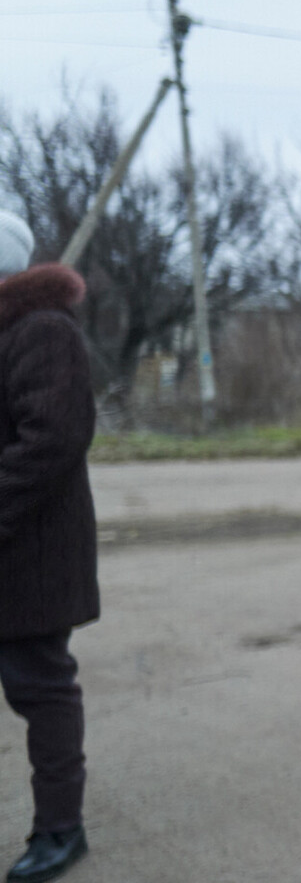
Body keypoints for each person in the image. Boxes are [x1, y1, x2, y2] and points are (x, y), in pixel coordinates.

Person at [0, 210, 95, 883]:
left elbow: (52, 440)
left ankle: (62, 830)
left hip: (30, 556)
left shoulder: (41, 329)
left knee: (42, 688)